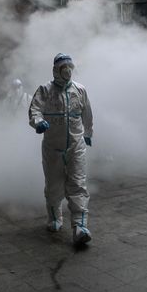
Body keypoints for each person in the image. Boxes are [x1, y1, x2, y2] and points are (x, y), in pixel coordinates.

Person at [29, 53, 94, 246]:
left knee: (78, 184)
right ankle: (55, 217)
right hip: (53, 148)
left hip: (76, 147)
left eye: (69, 67)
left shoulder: (80, 90)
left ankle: (80, 227)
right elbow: (35, 109)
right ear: (56, 69)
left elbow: (87, 113)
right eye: (63, 67)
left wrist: (88, 133)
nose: (67, 70)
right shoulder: (45, 90)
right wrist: (38, 122)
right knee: (54, 185)